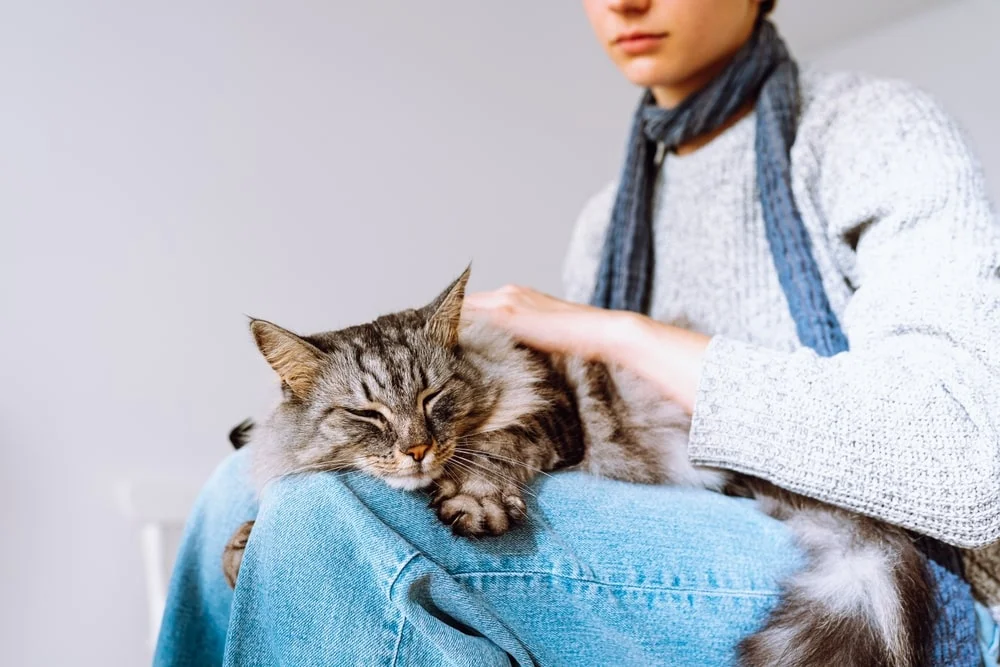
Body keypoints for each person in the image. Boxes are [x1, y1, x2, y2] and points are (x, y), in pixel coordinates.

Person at [155, 0, 1000, 664]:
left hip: (885, 553)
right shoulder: (611, 218)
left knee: (325, 513)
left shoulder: (872, 129)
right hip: (674, 505)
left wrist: (621, 334)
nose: (624, 2)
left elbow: (970, 459)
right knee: (237, 485)